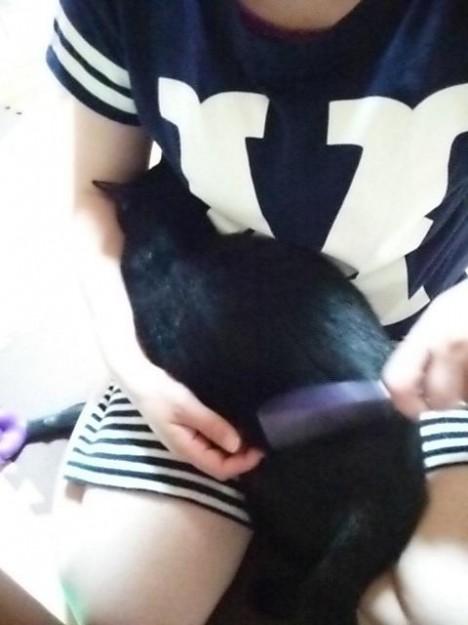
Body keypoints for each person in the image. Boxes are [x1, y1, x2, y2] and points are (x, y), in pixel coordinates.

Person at [46, 1, 468, 624]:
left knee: (447, 602)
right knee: (118, 601)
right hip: (215, 345)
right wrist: (131, 366)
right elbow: (97, 191)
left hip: (432, 348)